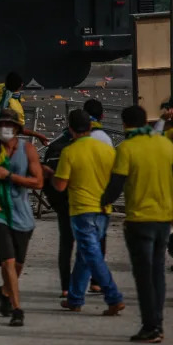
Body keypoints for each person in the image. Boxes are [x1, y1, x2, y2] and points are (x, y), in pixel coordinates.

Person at [101, 105, 173, 343]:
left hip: (139, 221)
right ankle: (159, 324)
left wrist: (103, 202)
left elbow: (117, 184)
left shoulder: (128, 148)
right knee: (158, 273)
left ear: (124, 124)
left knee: (143, 276)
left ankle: (150, 326)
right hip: (164, 219)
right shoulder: (165, 145)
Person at [0, 109, 43, 327]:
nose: (5, 129)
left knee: (18, 263)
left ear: (17, 129)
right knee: (8, 261)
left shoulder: (28, 150)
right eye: (2, 125)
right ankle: (17, 308)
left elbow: (38, 182)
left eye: (9, 125)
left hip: (22, 214)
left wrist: (10, 176)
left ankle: (4, 292)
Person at [52, 109, 124, 315]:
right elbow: (116, 179)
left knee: (91, 254)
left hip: (82, 209)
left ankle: (113, 296)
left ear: (71, 129)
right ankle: (75, 298)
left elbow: (60, 185)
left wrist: (51, 175)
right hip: (103, 209)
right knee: (85, 254)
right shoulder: (108, 150)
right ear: (91, 126)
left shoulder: (70, 152)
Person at [0, 71, 49, 145]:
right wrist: (39, 135)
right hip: (1, 143)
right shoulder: (16, 107)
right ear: (21, 85)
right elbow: (20, 130)